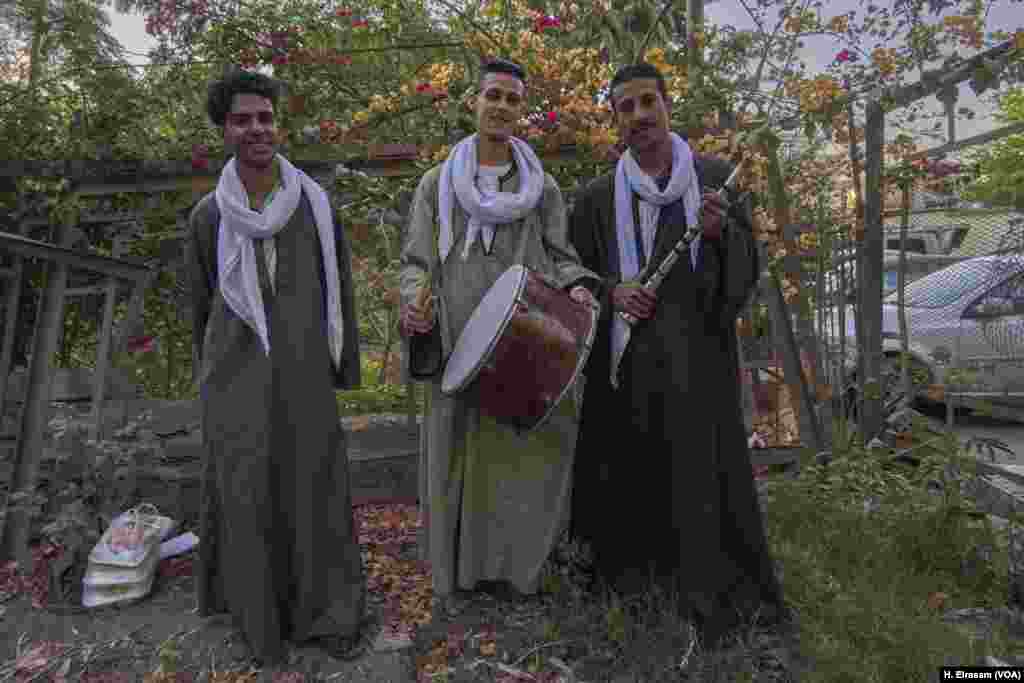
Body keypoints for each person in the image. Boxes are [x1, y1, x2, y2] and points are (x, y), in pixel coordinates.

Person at [567, 62, 784, 645]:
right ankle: (641, 590)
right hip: (628, 372)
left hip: (700, 363)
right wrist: (612, 291)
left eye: (647, 103)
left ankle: (712, 588)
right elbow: (575, 278)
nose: (638, 116)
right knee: (633, 480)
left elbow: (745, 273)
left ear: (667, 105)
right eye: (625, 108)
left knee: (703, 476)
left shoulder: (715, 180)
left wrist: (719, 236)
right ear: (615, 120)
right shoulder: (593, 199)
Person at [399, 58, 599, 599]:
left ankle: (514, 573)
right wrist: (411, 304)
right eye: (494, 95)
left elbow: (562, 257)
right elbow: (417, 262)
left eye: (513, 98)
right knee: (455, 450)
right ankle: (456, 574)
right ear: (475, 100)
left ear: (522, 109)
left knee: (520, 454)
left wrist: (577, 286)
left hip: (523, 339)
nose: (502, 106)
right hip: (454, 336)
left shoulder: (543, 189)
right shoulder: (435, 184)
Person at [188, 69, 366, 667]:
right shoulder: (207, 218)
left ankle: (327, 616)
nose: (257, 128)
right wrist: (213, 386)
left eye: (265, 117)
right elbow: (203, 309)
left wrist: (343, 369)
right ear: (224, 130)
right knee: (246, 493)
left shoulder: (313, 207)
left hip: (304, 376)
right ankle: (259, 620)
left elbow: (338, 289)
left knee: (314, 487)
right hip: (235, 382)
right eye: (242, 119)